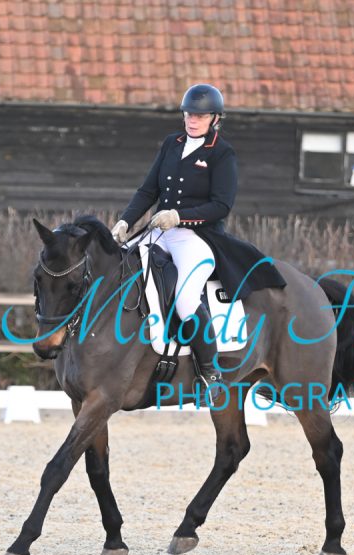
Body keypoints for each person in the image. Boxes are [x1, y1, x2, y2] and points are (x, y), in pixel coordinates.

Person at [112, 83, 287, 406]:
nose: (193, 120)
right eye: (189, 114)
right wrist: (125, 222)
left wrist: (179, 216)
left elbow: (221, 205)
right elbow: (148, 191)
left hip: (197, 238)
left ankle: (210, 374)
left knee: (185, 298)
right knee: (121, 272)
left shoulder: (221, 153)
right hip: (158, 232)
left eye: (201, 116)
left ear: (214, 119)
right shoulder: (172, 144)